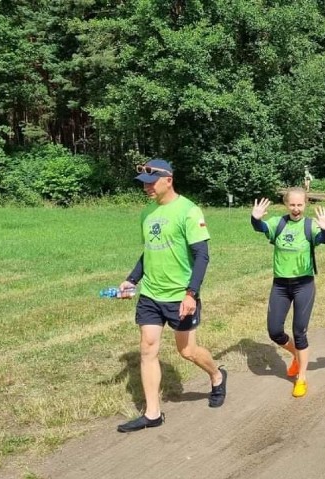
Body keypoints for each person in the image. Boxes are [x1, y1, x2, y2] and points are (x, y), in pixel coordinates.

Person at [117, 158, 227, 433]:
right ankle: (152, 413)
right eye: (144, 184)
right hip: (151, 294)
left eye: (152, 183)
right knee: (148, 348)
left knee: (187, 351)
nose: (147, 188)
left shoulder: (188, 211)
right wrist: (132, 280)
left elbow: (202, 255)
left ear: (169, 180)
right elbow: (149, 252)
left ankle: (216, 375)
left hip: (180, 296)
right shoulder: (147, 213)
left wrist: (191, 294)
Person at [251, 188, 325, 397]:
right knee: (275, 331)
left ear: (305, 205)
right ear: (286, 205)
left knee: (299, 331)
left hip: (303, 285)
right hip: (280, 285)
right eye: (292, 205)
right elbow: (259, 227)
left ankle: (301, 377)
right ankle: (296, 354)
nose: (296, 209)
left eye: (300, 205)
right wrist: (255, 218)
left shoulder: (309, 226)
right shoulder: (278, 223)